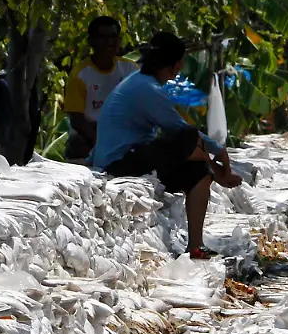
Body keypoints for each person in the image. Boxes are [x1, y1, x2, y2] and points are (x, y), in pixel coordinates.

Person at [91, 32, 241, 260]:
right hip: (120, 162)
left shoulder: (141, 83)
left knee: (199, 173)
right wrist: (220, 153)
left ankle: (195, 245)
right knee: (189, 137)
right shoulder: (146, 89)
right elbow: (180, 130)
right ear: (176, 65)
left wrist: (214, 161)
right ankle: (220, 173)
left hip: (133, 156)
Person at [64, 17, 138, 161]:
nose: (109, 42)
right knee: (78, 147)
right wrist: (103, 143)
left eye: (113, 37)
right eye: (103, 37)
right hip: (89, 135)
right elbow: (77, 121)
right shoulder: (80, 74)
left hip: (121, 132)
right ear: (91, 41)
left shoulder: (131, 69)